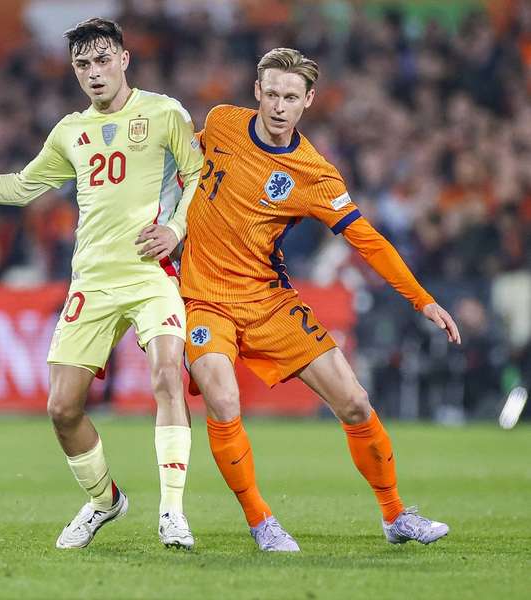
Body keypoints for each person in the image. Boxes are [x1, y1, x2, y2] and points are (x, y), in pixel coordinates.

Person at [0, 18, 204, 550]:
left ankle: (172, 513)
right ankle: (106, 502)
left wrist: (175, 229)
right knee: (62, 408)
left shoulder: (164, 112)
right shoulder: (70, 131)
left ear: (125, 59)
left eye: (103, 60)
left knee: (167, 376)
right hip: (93, 279)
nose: (94, 72)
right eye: (83, 64)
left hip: (151, 273)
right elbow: (20, 188)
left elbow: (197, 174)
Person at [139, 47, 461, 551]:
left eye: (291, 96)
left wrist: (421, 299)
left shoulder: (314, 174)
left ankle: (396, 515)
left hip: (269, 301)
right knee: (223, 401)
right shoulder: (221, 123)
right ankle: (261, 521)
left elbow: (367, 240)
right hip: (203, 299)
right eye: (271, 93)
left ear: (309, 100)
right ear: (256, 92)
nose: (279, 105)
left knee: (355, 403)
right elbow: (172, 168)